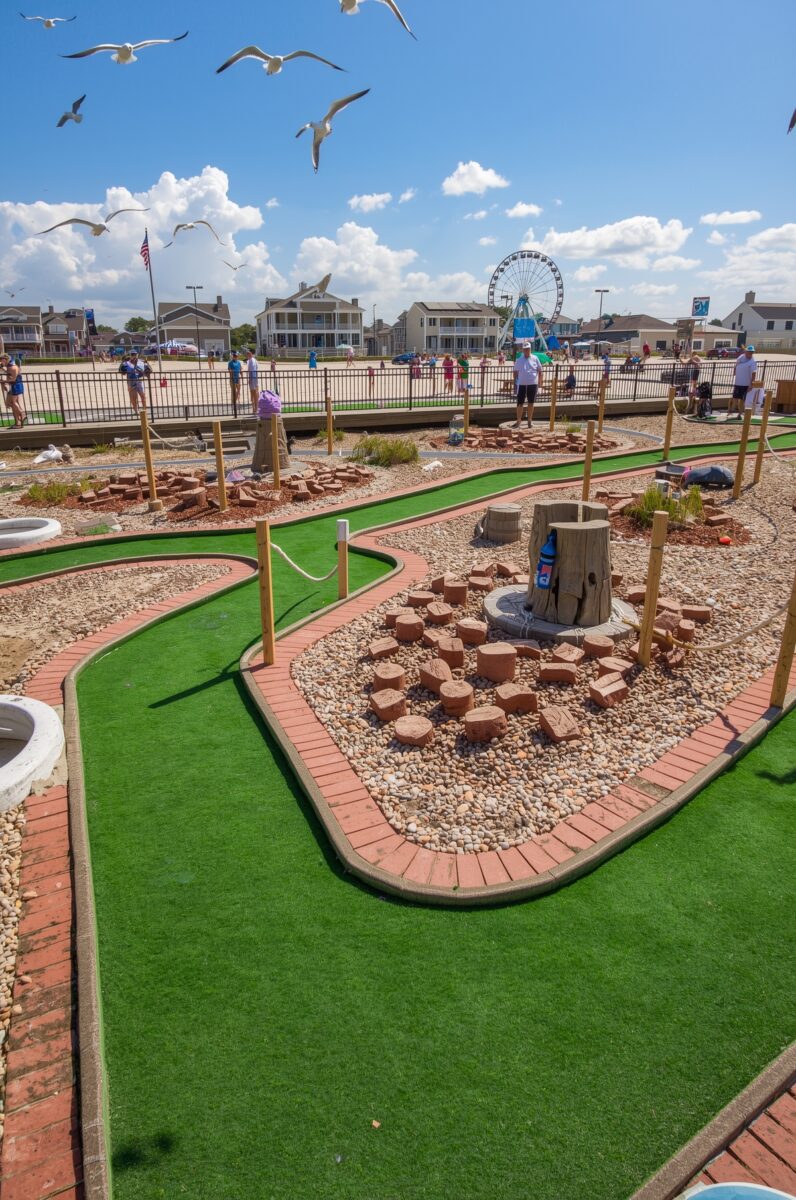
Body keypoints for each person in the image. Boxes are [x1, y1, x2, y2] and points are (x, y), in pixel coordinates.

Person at [513, 341, 543, 428]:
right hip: (521, 384)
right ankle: (518, 421)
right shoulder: (519, 360)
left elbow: (540, 371)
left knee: (531, 402)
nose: (527, 350)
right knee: (520, 403)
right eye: (525, 349)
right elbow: (515, 372)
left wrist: (540, 385)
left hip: (533, 383)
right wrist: (515, 383)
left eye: (528, 349)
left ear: (530, 349)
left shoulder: (535, 358)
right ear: (523, 350)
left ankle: (529, 421)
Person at [119, 350, 150, 415]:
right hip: (131, 381)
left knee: (143, 395)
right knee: (133, 397)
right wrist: (122, 364)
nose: (134, 356)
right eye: (132, 354)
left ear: (137, 355)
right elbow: (122, 372)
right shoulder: (126, 363)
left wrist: (146, 368)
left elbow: (148, 370)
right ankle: (136, 410)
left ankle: (144, 409)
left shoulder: (141, 362)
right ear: (130, 355)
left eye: (135, 354)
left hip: (140, 381)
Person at [729, 345, 756, 417]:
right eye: (749, 352)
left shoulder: (753, 362)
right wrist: (734, 372)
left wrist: (751, 384)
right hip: (738, 382)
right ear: (746, 352)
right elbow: (736, 365)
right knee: (735, 397)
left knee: (742, 399)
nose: (750, 354)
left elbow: (754, 373)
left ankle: (740, 413)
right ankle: (731, 412)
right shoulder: (741, 357)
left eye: (751, 352)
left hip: (745, 384)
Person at [245, 348, 259, 414]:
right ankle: (254, 408)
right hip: (254, 378)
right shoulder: (252, 360)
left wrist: (250, 379)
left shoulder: (252, 361)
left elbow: (252, 371)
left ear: (250, 354)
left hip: (253, 378)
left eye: (248, 354)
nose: (248, 355)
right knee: (254, 393)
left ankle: (255, 408)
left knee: (254, 393)